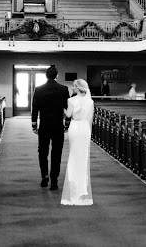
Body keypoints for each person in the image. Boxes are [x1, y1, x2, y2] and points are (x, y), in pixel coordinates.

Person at [31, 65, 70, 190]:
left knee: (43, 152)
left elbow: (35, 108)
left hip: (44, 125)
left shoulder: (39, 89)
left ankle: (44, 175)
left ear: (46, 76)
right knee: (56, 153)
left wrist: (34, 125)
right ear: (57, 76)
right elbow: (68, 108)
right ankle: (54, 180)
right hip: (58, 125)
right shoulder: (63, 89)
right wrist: (67, 124)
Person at [61, 78, 94, 206]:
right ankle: (81, 187)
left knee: (73, 156)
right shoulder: (90, 101)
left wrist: (60, 108)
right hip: (85, 128)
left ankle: (74, 185)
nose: (72, 87)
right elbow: (90, 120)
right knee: (83, 157)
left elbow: (68, 115)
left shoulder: (71, 100)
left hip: (74, 127)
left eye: (74, 86)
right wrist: (89, 133)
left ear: (77, 87)